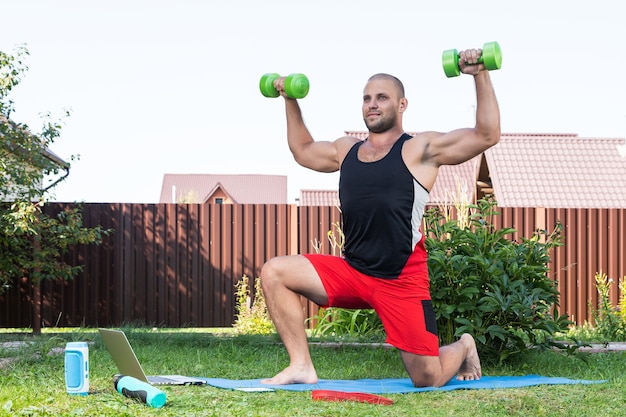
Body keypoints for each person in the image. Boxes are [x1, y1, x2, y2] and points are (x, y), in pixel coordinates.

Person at [260, 47, 501, 388]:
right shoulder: (347, 150)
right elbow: (303, 150)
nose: (372, 104)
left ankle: (463, 346)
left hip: (401, 279)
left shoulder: (420, 150)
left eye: (382, 97)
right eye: (367, 98)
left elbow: (486, 135)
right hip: (353, 271)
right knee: (275, 271)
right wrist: (289, 99)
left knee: (427, 378)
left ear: (401, 105)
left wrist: (479, 74)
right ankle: (301, 365)